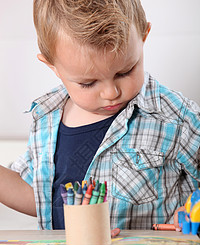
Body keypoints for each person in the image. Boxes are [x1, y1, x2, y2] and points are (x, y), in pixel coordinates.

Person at [0, 0, 199, 232]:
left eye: (125, 72)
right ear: (52, 65)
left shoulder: (175, 118)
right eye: (88, 83)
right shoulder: (46, 116)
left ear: (143, 36)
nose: (111, 93)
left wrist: (190, 210)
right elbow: (41, 197)